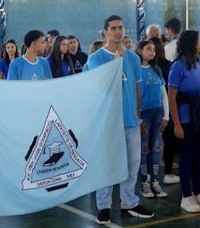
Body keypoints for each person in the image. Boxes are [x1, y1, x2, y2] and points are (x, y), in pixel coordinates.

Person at [86, 15, 154, 224]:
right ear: (105, 32)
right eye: (113, 28)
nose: (118, 31)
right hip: (108, 123)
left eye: (121, 28)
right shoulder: (96, 59)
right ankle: (104, 206)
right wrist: (117, 59)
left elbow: (135, 88)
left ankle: (129, 202)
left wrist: (138, 116)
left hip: (131, 122)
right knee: (106, 165)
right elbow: (103, 86)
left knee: (132, 164)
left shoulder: (133, 58)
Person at [168, 30, 200, 213]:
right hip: (186, 119)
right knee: (186, 157)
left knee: (199, 155)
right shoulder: (178, 67)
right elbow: (172, 98)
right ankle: (186, 196)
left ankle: (199, 193)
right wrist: (177, 124)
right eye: (199, 40)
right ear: (192, 43)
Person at [136, 40, 169, 198]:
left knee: (155, 147)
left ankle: (155, 180)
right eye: (148, 49)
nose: (152, 52)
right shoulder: (136, 71)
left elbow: (164, 93)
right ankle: (144, 182)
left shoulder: (157, 70)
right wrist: (139, 119)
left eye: (154, 50)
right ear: (140, 51)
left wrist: (166, 116)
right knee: (144, 148)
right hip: (144, 114)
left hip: (157, 113)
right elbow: (133, 96)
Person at [149, 37, 180, 184]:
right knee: (164, 142)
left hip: (158, 108)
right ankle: (165, 172)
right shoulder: (167, 66)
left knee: (153, 143)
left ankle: (152, 175)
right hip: (163, 108)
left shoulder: (156, 67)